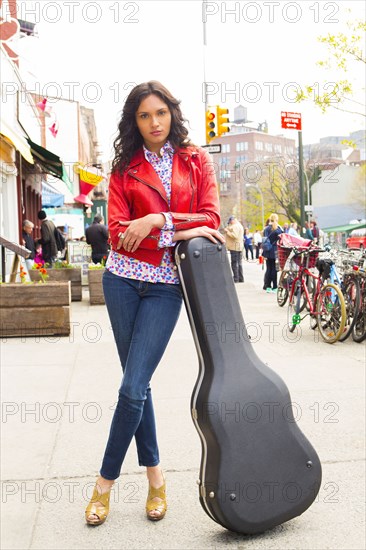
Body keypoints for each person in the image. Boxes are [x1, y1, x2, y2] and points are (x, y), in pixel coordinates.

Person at [85, 81, 224, 526]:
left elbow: (212, 217)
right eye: (144, 116)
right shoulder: (124, 167)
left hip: (166, 287)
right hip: (122, 282)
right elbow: (119, 232)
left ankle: (103, 485)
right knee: (137, 386)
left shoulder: (194, 159)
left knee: (130, 388)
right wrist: (181, 231)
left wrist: (158, 221)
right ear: (134, 121)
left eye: (160, 113)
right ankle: (156, 479)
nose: (154, 123)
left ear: (172, 113)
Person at [262, 213, 283, 293]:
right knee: (275, 269)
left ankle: (268, 287)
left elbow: (264, 240)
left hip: (267, 250)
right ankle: (274, 287)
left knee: (268, 269)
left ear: (270, 219)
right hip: (275, 251)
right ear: (277, 220)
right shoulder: (279, 230)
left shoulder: (266, 229)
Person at [223, 216, 244, 283]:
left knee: (234, 263)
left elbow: (235, 236)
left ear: (232, 220)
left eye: (230, 222)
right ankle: (240, 278)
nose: (230, 224)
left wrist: (227, 231)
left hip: (234, 247)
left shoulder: (235, 226)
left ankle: (236, 278)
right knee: (239, 263)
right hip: (239, 247)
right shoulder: (239, 225)